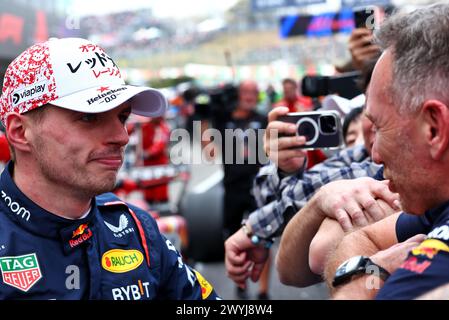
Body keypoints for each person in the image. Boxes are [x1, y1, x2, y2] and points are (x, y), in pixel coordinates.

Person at [0, 37, 219, 300]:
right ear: (21, 132)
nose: (122, 136)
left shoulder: (138, 229)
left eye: (122, 117)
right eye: (89, 117)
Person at [322, 3, 449, 299]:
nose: (374, 154)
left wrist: (367, 273)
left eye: (379, 127)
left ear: (434, 128)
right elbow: (359, 239)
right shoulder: (437, 199)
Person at [207, 80, 270, 299]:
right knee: (235, 240)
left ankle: (263, 291)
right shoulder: (225, 120)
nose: (250, 96)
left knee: (262, 238)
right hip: (233, 189)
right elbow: (210, 114)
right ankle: (241, 284)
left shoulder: (263, 120)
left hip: (258, 190)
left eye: (254, 92)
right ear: (238, 94)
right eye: (245, 92)